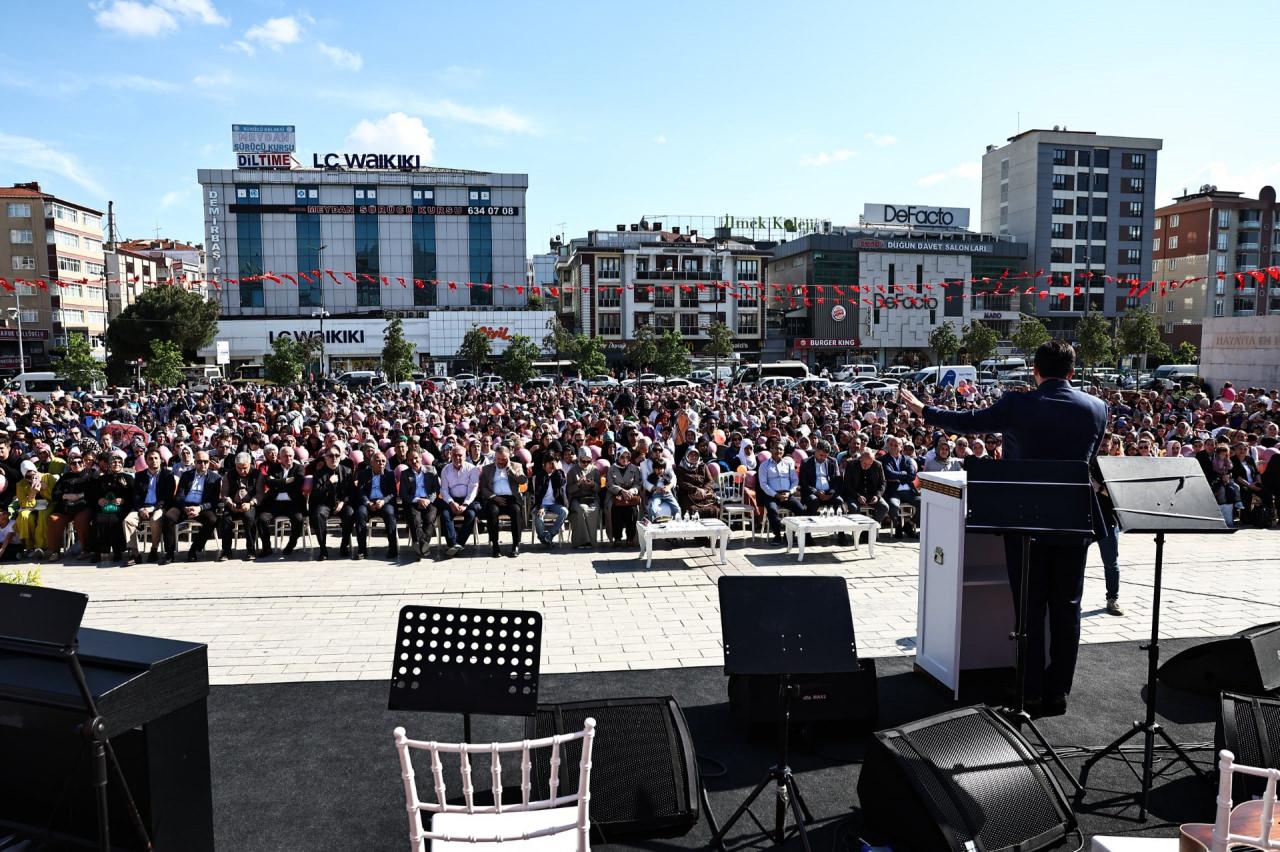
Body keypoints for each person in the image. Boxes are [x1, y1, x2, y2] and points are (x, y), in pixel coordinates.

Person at [900, 339, 1108, 717]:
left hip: (1025, 520)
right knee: (1068, 609)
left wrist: (924, 410)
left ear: (1035, 371)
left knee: (1029, 608)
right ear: (1072, 372)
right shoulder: (1097, 409)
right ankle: (1058, 690)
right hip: (1073, 521)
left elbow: (970, 423)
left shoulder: (1018, 405)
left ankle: (1027, 689)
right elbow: (1087, 462)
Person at [167, 450, 221, 561]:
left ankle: (194, 550)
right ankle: (169, 553)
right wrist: (184, 508)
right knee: (168, 517)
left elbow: (214, 501)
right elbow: (179, 496)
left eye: (206, 462)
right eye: (200, 462)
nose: (203, 464)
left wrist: (199, 508)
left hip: (201, 507)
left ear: (209, 462)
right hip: (184, 506)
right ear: (195, 462)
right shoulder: (186, 475)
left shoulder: (215, 478)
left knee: (213, 520)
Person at [125, 449, 177, 564]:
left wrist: (152, 508)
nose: (153, 461)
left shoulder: (168, 475)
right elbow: (136, 496)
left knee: (155, 519)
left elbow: (166, 497)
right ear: (146, 461)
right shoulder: (139, 476)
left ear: (161, 460)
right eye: (150, 458)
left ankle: (154, 549)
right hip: (142, 507)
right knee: (128, 520)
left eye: (156, 458)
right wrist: (141, 509)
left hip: (158, 507)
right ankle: (135, 554)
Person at [1091, 436, 1123, 616]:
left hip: (1108, 520)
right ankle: (1075, 600)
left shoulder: (1114, 467)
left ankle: (1113, 599)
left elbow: (1119, 495)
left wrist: (1099, 489)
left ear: (1112, 446)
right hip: (1086, 520)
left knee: (1111, 563)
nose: (1103, 447)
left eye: (1106, 444)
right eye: (1101, 444)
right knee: (1077, 563)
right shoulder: (1086, 465)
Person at [47, 449, 95, 562]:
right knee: (54, 519)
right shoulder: (65, 477)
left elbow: (94, 492)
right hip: (66, 507)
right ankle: (55, 551)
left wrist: (79, 495)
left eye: (80, 462)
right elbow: (55, 493)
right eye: (74, 463)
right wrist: (66, 496)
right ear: (70, 465)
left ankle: (86, 549)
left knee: (81, 520)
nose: (77, 465)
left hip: (83, 506)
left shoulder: (90, 475)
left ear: (84, 463)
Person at [478, 446, 526, 558]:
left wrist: (510, 470)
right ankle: (495, 545)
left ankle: (516, 545)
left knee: (516, 511)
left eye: (503, 459)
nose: (500, 462)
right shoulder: (487, 469)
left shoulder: (516, 466)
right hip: (494, 498)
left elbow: (523, 480)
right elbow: (483, 488)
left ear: (508, 457)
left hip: (511, 498)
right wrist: (494, 497)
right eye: (498, 459)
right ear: (495, 457)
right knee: (492, 512)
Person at [258, 444, 306, 556]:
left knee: (298, 519)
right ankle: (267, 548)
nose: (288, 458)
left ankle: (291, 544)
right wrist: (286, 481)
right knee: (262, 519)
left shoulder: (299, 468)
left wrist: (278, 482)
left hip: (292, 503)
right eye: (285, 456)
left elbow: (297, 484)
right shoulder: (274, 467)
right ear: (280, 457)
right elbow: (269, 482)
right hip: (275, 503)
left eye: (290, 456)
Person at [309, 443, 354, 561]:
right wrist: (328, 483)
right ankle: (323, 549)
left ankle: (344, 546)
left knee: (350, 513)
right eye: (331, 455)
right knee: (318, 514)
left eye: (337, 455)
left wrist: (343, 502)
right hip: (325, 504)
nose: (334, 458)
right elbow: (316, 494)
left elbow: (351, 493)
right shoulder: (319, 473)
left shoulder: (347, 471)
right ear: (325, 458)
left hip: (342, 503)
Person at [353, 450, 400, 560]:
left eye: (383, 461)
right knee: (360, 513)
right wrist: (368, 503)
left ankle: (393, 549)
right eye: (378, 461)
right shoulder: (363, 474)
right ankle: (362, 550)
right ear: (371, 463)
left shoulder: (389, 474)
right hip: (368, 502)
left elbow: (393, 493)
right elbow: (361, 491)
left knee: (390, 513)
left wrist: (383, 501)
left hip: (383, 502)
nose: (381, 463)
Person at [756, 438, 803, 544]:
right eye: (776, 449)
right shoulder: (764, 466)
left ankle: (791, 534)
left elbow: (795, 481)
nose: (779, 451)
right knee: (772, 510)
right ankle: (777, 535)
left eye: (781, 449)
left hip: (787, 494)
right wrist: (776, 495)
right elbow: (763, 484)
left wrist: (790, 492)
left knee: (800, 509)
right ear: (771, 450)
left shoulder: (788, 464)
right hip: (772, 495)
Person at [219, 452, 263, 561]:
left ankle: (251, 550)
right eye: (239, 468)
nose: (242, 471)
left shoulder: (257, 474)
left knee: (249, 517)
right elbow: (224, 494)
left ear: (250, 464)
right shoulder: (229, 475)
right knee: (226, 519)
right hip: (233, 504)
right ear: (235, 466)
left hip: (250, 504)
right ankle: (226, 552)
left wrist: (251, 503)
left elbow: (260, 494)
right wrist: (230, 503)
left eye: (245, 468)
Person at [438, 445, 479, 557]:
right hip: (452, 499)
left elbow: (473, 489)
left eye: (460, 455)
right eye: (454, 455)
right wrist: (451, 503)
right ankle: (452, 544)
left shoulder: (472, 469)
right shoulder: (445, 470)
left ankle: (458, 544)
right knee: (445, 515)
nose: (457, 458)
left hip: (468, 500)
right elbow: (444, 490)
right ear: (451, 456)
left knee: (471, 514)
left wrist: (465, 504)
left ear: (465, 456)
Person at [399, 449, 440, 561]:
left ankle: (420, 545)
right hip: (413, 502)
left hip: (429, 501)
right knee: (415, 520)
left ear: (421, 458)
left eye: (416, 458)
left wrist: (427, 500)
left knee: (430, 518)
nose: (414, 461)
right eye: (411, 459)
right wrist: (417, 500)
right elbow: (403, 493)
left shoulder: (431, 470)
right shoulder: (404, 474)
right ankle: (424, 545)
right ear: (407, 461)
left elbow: (436, 489)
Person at [92, 454, 134, 564]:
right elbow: (94, 494)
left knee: (116, 520)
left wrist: (123, 500)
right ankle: (99, 552)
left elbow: (133, 495)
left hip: (122, 508)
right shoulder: (102, 478)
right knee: (98, 520)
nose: (117, 464)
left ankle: (117, 551)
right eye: (114, 462)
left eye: (119, 462)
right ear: (109, 464)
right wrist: (99, 500)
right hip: (104, 508)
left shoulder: (128, 478)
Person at [14, 460, 57, 559]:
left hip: (48, 504)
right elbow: (24, 503)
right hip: (31, 506)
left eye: (34, 474)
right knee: (24, 516)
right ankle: (29, 547)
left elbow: (55, 496)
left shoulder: (47, 477)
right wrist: (32, 493)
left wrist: (45, 488)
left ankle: (41, 546)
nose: (32, 478)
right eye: (28, 477)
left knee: (43, 515)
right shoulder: (20, 484)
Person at [880, 436, 919, 539]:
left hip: (909, 491)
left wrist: (898, 477)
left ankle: (908, 524)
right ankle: (898, 526)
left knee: (924, 503)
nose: (892, 447)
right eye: (891, 445)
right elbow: (889, 474)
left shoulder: (907, 459)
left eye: (896, 445)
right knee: (893, 505)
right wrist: (903, 474)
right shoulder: (884, 460)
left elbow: (912, 475)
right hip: (893, 491)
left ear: (901, 447)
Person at [605, 448, 642, 547]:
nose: (625, 459)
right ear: (617, 457)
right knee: (616, 511)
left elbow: (638, 484)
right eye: (622, 457)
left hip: (630, 495)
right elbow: (609, 484)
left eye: (627, 457)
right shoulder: (611, 468)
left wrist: (631, 491)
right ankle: (617, 537)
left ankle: (630, 537)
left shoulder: (634, 468)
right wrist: (621, 490)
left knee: (633, 511)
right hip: (615, 495)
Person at [843, 448, 890, 525]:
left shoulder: (878, 465)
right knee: (853, 508)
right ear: (860, 459)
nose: (866, 466)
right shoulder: (851, 464)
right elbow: (847, 483)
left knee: (884, 507)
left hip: (872, 494)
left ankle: (871, 528)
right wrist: (857, 496)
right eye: (864, 463)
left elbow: (883, 483)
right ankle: (859, 530)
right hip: (855, 495)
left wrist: (877, 496)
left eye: (869, 464)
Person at [566, 447, 601, 548]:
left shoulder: (595, 470)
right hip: (577, 498)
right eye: (583, 461)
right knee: (581, 509)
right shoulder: (572, 472)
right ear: (579, 459)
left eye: (588, 461)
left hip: (592, 498)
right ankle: (581, 542)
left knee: (593, 510)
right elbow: (569, 490)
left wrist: (593, 485)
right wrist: (578, 484)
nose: (586, 464)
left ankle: (591, 541)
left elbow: (598, 489)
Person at [531, 454, 568, 548]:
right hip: (543, 504)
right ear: (544, 464)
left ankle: (549, 535)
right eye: (550, 463)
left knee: (564, 511)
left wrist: (557, 470)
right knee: (538, 516)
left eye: (554, 462)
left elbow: (561, 483)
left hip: (555, 504)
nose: (552, 465)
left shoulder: (558, 473)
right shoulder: (540, 475)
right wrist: (540, 507)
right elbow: (538, 493)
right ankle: (544, 538)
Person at [675, 447, 719, 518]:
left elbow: (710, 481)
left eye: (696, 455)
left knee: (714, 509)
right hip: (688, 494)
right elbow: (681, 482)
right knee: (692, 509)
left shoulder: (702, 466)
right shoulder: (681, 467)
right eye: (691, 455)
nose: (693, 457)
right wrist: (696, 490)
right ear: (686, 456)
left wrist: (703, 490)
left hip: (703, 495)